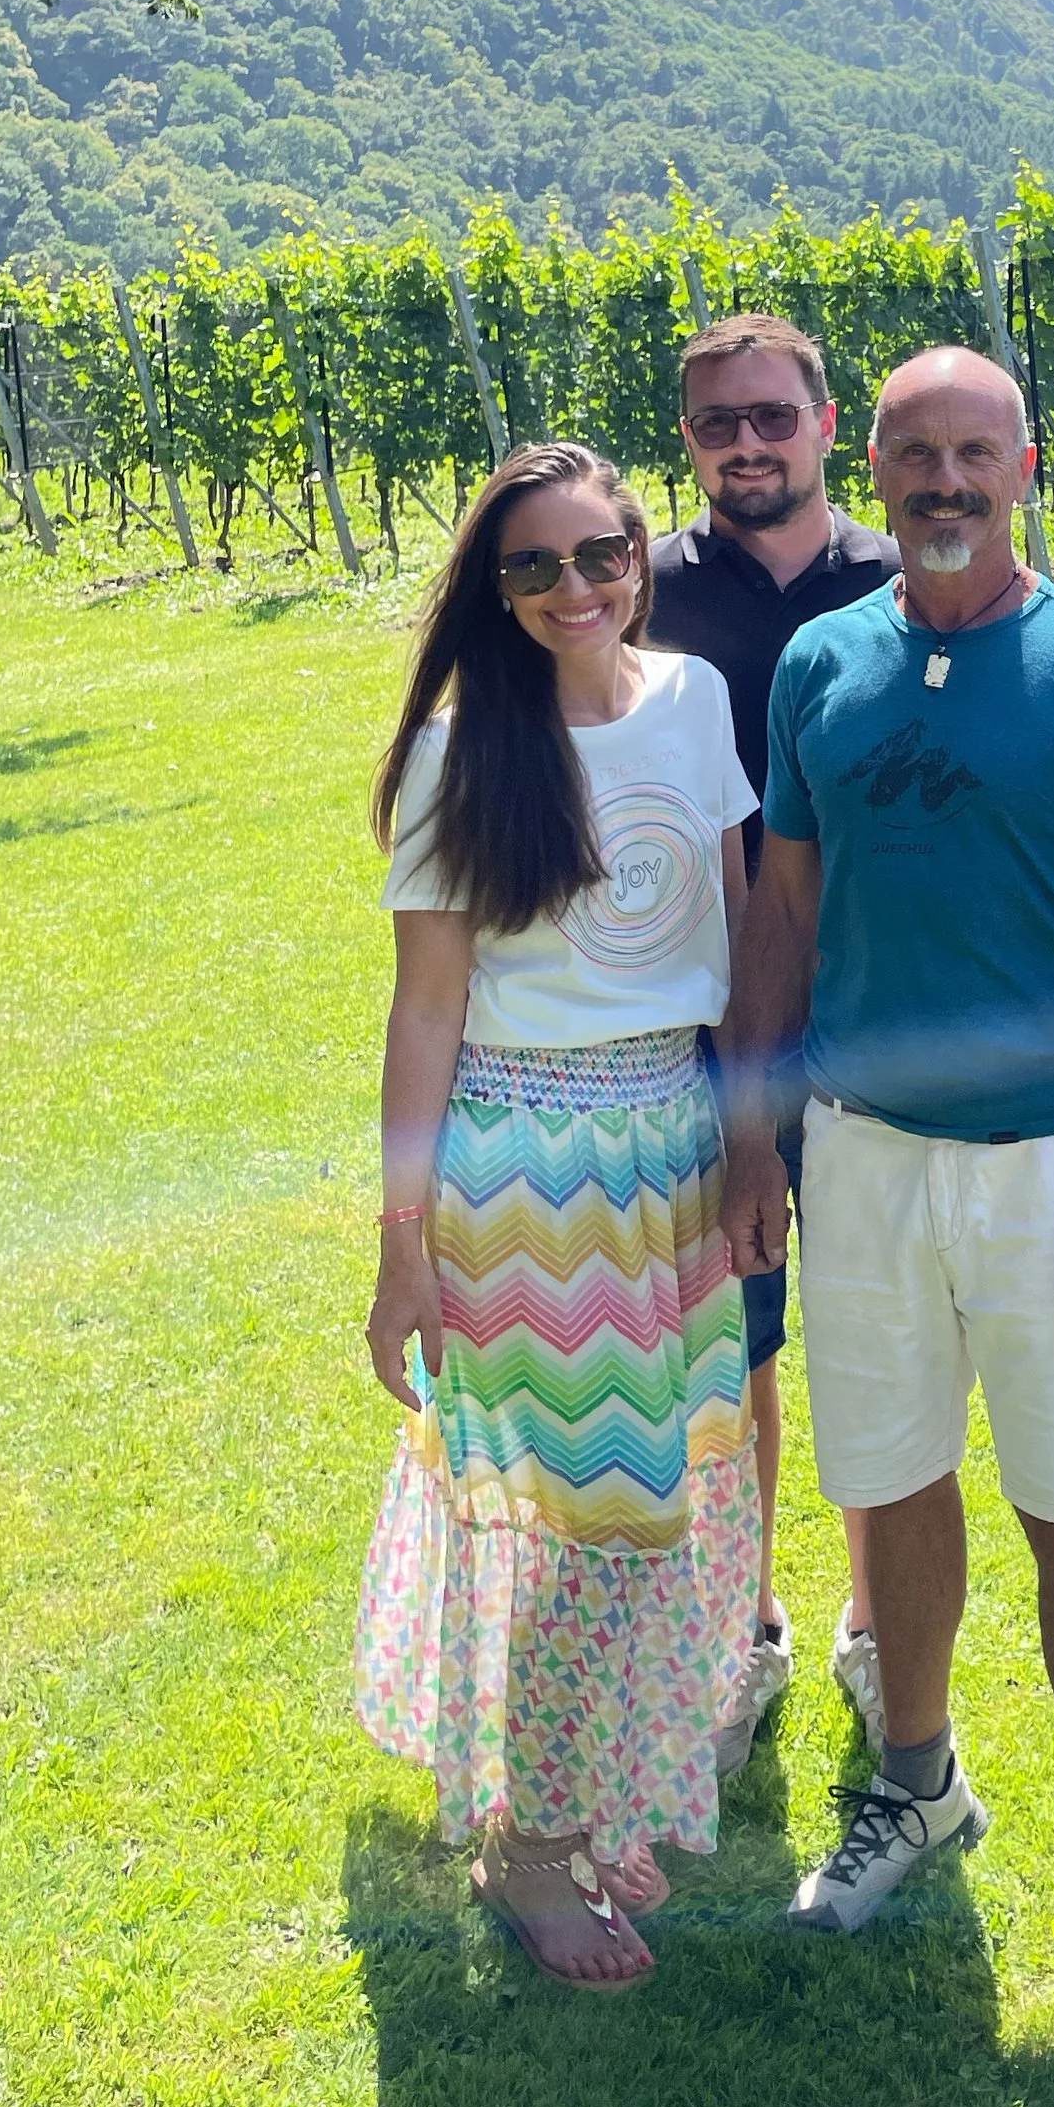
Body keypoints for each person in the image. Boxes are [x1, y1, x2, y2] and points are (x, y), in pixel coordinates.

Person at [721, 345, 1054, 2081]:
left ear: (1022, 467)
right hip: (857, 1151)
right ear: (878, 460)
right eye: (912, 453)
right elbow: (785, 904)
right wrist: (751, 1125)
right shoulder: (818, 665)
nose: (943, 481)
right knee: (891, 1481)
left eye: (973, 452)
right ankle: (915, 1782)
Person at [355, 441, 759, 1989]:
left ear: (641, 558)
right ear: (493, 587)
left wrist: (742, 1146)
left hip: (670, 1146)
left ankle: (586, 1795)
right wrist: (402, 1245)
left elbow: (722, 939)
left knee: (658, 1500)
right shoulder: (465, 758)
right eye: (535, 566)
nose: (576, 589)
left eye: (602, 556)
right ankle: (527, 1845)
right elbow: (423, 1016)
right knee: (585, 1519)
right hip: (525, 1170)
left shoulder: (694, 703)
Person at [647, 312, 896, 1771]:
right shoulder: (642, 590)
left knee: (870, 1334)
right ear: (692, 444)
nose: (748, 445)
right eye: (717, 425)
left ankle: (875, 1625)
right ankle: (743, 1631)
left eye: (772, 417)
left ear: (823, 419)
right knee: (731, 1348)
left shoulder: (906, 579)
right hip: (696, 1031)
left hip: (870, 1022)